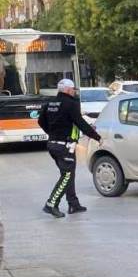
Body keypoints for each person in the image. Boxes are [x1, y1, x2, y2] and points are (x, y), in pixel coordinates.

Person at [38, 79, 102, 218]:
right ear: (67, 90)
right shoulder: (71, 104)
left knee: (68, 175)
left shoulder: (49, 103)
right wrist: (97, 137)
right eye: (73, 89)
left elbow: (40, 121)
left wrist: (52, 133)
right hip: (64, 146)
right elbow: (81, 123)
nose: (74, 92)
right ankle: (51, 204)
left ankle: (73, 204)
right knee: (66, 176)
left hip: (53, 145)